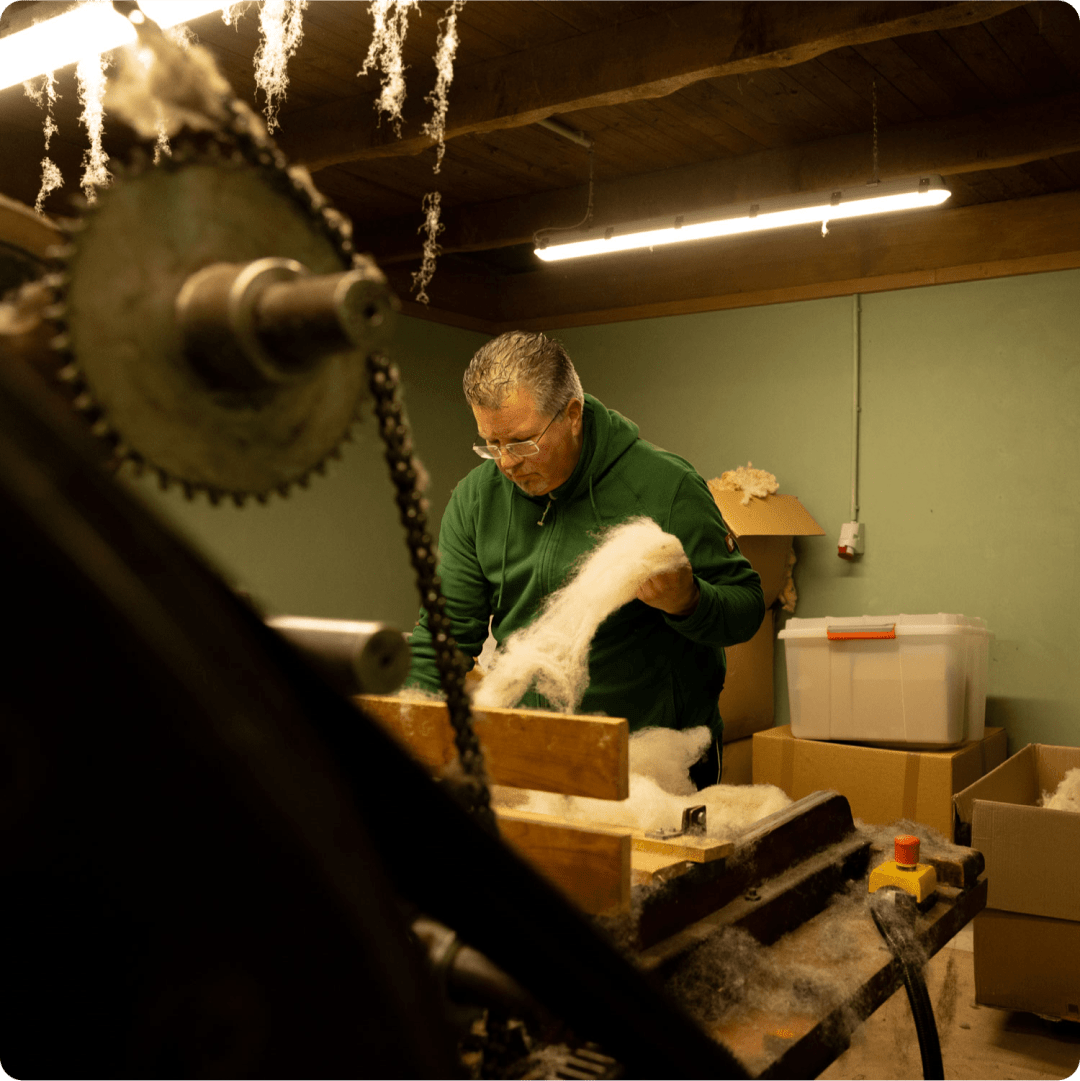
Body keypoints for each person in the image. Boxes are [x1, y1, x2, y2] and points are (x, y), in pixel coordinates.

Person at [405, 331, 764, 789]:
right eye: (489, 443)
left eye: (521, 442)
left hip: (656, 767)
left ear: (572, 415)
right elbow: (445, 637)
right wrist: (402, 716)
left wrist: (688, 602)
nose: (505, 463)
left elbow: (747, 608)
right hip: (532, 760)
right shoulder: (477, 501)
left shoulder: (665, 486)